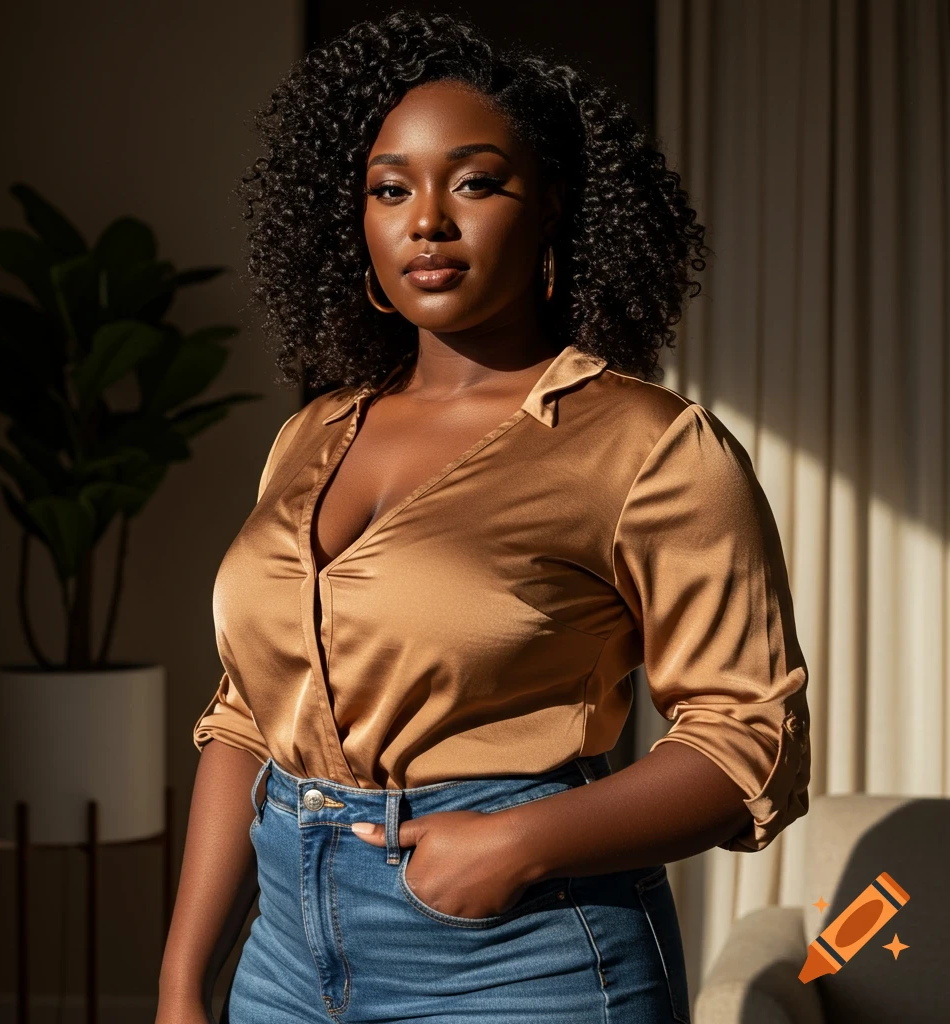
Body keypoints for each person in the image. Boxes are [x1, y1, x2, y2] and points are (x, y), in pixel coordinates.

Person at [156, 10, 811, 1024]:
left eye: (473, 181)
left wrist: (519, 842)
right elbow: (245, 713)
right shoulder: (311, 435)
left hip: (522, 957)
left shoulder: (650, 447)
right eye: (389, 189)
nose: (426, 219)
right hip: (281, 956)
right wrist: (181, 983)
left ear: (549, 208)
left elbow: (745, 739)